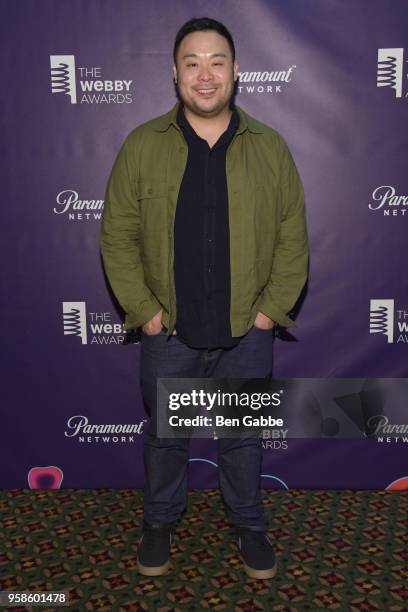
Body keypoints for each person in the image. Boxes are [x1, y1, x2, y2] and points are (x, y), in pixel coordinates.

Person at [100, 17, 308, 579]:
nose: (205, 75)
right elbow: (117, 235)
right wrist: (145, 314)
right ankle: (159, 521)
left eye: (217, 61)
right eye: (192, 62)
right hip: (169, 334)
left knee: (242, 437)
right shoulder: (143, 145)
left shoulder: (271, 147)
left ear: (236, 70)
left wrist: (268, 313)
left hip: (247, 331)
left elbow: (292, 236)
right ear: (175, 73)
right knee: (166, 439)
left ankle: (249, 524)